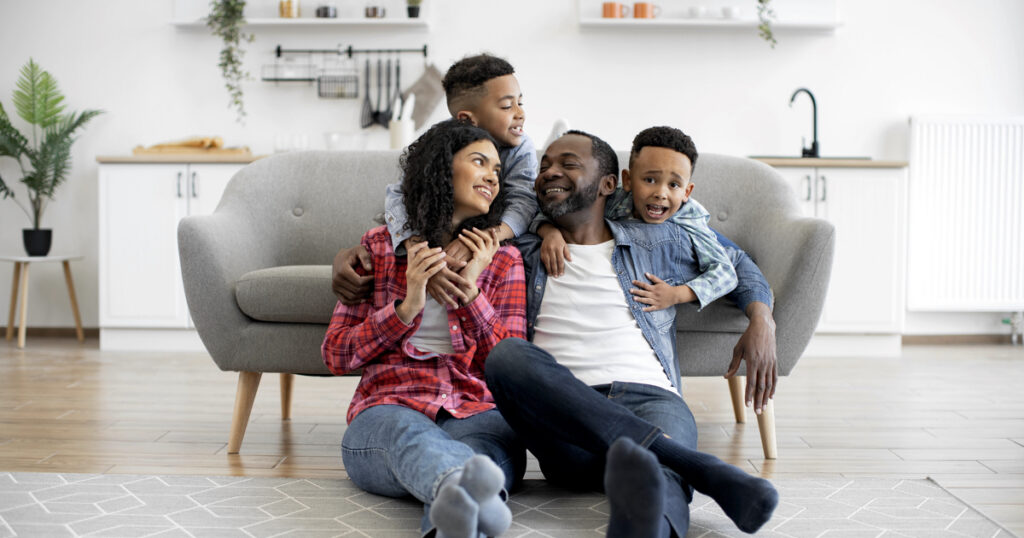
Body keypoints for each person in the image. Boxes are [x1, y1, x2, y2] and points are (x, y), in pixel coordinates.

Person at [484, 131, 779, 537]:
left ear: (610, 184)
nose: (551, 171)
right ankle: (698, 467)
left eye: (569, 164)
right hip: (565, 421)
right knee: (506, 357)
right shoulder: (518, 245)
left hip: (652, 399)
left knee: (657, 479)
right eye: (546, 165)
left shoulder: (662, 236)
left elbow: (738, 263)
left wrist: (762, 320)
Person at [321, 119, 527, 538]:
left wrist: (472, 295)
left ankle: (452, 502)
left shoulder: (504, 262)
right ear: (440, 168)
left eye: (496, 170)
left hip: (476, 411)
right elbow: (336, 355)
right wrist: (406, 305)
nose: (491, 175)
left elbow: (513, 371)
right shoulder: (379, 248)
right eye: (478, 162)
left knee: (480, 450)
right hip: (389, 409)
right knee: (413, 439)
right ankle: (462, 487)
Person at [333, 53, 539, 308]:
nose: (520, 114)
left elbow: (525, 202)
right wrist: (417, 250)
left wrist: (475, 242)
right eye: (507, 106)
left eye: (520, 103)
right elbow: (401, 194)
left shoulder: (522, 148)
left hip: (491, 239)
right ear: (466, 119)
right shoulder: (441, 144)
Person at [537, 126, 737, 312]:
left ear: (687, 191)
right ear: (628, 180)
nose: (661, 193)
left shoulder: (688, 216)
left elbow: (726, 273)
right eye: (650, 180)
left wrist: (677, 294)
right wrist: (549, 231)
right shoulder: (611, 199)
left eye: (674, 185)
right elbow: (551, 209)